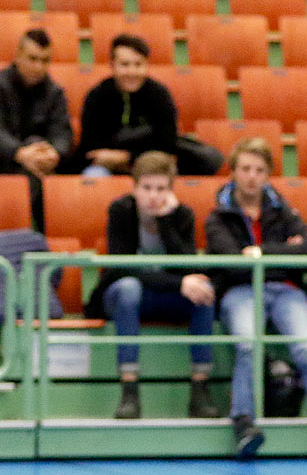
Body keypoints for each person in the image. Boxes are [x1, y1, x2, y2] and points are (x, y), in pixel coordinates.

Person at [205, 137, 307, 460]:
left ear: (268, 174)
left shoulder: (282, 209)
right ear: (233, 172)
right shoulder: (218, 215)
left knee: (306, 348)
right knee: (247, 345)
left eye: (259, 170)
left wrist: (261, 253)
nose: (251, 176)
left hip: (286, 290)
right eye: (245, 169)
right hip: (241, 291)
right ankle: (243, 423)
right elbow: (230, 261)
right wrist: (285, 250)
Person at [89, 151, 220, 420]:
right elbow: (121, 267)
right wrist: (178, 282)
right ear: (134, 187)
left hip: (167, 297)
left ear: (171, 190)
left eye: (161, 188)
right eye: (146, 188)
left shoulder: (182, 215)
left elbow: (187, 268)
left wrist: (165, 222)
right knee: (128, 287)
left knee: (204, 290)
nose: (153, 195)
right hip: (126, 297)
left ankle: (200, 388)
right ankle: (129, 390)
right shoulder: (121, 210)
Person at [0, 28, 72, 231]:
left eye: (45, 60)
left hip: (32, 171)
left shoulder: (54, 92)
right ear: (17, 56)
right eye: (33, 59)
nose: (38, 66)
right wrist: (20, 153)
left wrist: (54, 153)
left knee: (39, 155)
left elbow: (62, 133)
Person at [72, 35, 178, 178]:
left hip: (151, 168)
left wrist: (126, 157)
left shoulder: (160, 96)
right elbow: (91, 148)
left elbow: (166, 145)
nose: (132, 72)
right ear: (112, 65)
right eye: (125, 64)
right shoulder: (97, 96)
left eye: (138, 64)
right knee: (94, 176)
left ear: (147, 65)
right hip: (104, 167)